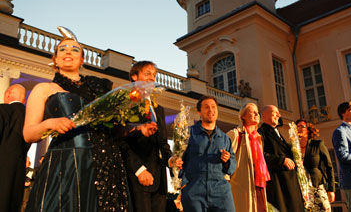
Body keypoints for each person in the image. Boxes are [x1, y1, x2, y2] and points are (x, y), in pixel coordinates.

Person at [23, 34, 155, 211]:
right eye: (62, 49)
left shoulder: (100, 89)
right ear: (55, 59)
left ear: (82, 59)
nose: (68, 51)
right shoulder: (43, 89)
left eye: (74, 49)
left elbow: (114, 131)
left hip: (107, 163)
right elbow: (28, 134)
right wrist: (50, 124)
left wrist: (137, 128)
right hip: (68, 164)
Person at [121, 61, 173, 212]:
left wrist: (171, 160)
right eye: (147, 74)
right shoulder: (125, 104)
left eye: (154, 75)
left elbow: (163, 143)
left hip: (160, 181)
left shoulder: (159, 110)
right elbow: (120, 141)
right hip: (138, 177)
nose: (152, 78)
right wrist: (139, 170)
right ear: (134, 77)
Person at [175, 95, 236, 212]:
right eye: (206, 107)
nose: (211, 110)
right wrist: (183, 184)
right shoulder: (188, 133)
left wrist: (227, 161)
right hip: (194, 189)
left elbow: (232, 168)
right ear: (199, 112)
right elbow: (177, 159)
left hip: (221, 189)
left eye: (214, 107)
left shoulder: (224, 138)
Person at [258, 105, 304, 212]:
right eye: (275, 112)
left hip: (289, 182)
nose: (279, 115)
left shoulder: (277, 132)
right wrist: (282, 160)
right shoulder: (261, 132)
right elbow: (260, 155)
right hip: (278, 184)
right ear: (264, 115)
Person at [227, 103, 270, 212]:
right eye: (252, 112)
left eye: (257, 112)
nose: (257, 114)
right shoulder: (235, 134)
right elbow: (224, 160)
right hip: (241, 187)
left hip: (258, 186)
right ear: (243, 116)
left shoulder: (258, 138)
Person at [0, 84, 29, 212]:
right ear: (24, 100)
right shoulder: (30, 118)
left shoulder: (2, 110)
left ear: (8, 94)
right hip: (18, 175)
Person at [296, 119, 335, 212]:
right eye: (297, 126)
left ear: (308, 130)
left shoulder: (317, 145)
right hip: (301, 189)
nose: (299, 128)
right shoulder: (293, 147)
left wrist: (331, 189)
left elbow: (329, 167)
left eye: (302, 126)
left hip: (317, 186)